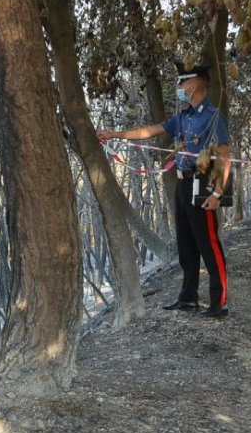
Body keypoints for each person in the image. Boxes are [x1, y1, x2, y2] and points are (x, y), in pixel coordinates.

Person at [97, 61, 232, 319]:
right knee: (186, 244)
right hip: (183, 183)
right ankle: (188, 297)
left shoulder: (213, 116)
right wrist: (114, 134)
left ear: (192, 85)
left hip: (203, 183)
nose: (179, 88)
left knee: (209, 244)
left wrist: (217, 193)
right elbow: (150, 131)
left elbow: (225, 156)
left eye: (182, 83)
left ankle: (219, 302)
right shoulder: (183, 116)